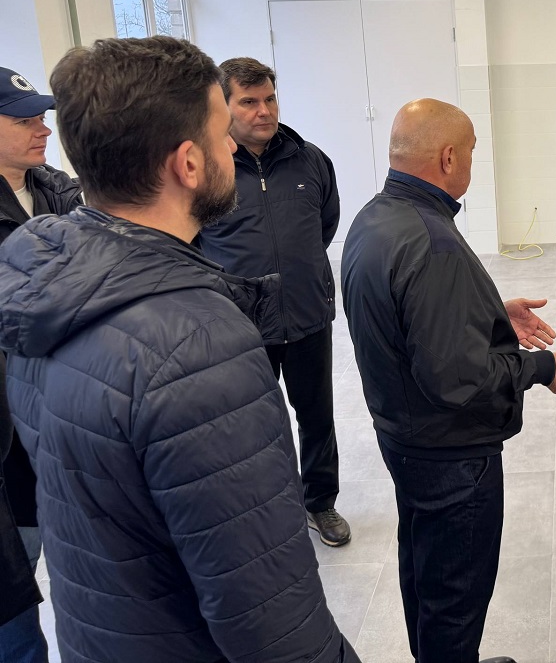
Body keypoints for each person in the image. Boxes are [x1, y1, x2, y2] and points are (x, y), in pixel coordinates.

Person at [0, 36, 358, 663]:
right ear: (188, 163)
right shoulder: (198, 349)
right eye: (222, 134)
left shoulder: (42, 294)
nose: (233, 148)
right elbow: (268, 615)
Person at [341, 98, 556, 663]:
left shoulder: (374, 219)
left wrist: (486, 314)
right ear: (449, 157)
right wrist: (545, 369)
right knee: (454, 597)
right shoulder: (433, 243)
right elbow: (457, 379)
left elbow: (409, 319)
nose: (473, 164)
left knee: (424, 573)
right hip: (450, 457)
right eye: (473, 152)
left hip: (404, 436)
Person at [197, 57, 349, 547]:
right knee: (250, 424)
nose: (264, 111)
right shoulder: (208, 168)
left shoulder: (310, 160)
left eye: (269, 99)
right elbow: (191, 245)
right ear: (224, 106)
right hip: (240, 324)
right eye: (249, 102)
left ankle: (320, 502)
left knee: (317, 417)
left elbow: (325, 225)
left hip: (307, 313)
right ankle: (261, 509)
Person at [0, 66, 83, 662]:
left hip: (61, 410)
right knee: (14, 593)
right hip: (9, 437)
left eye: (42, 116)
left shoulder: (58, 192)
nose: (43, 129)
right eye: (23, 120)